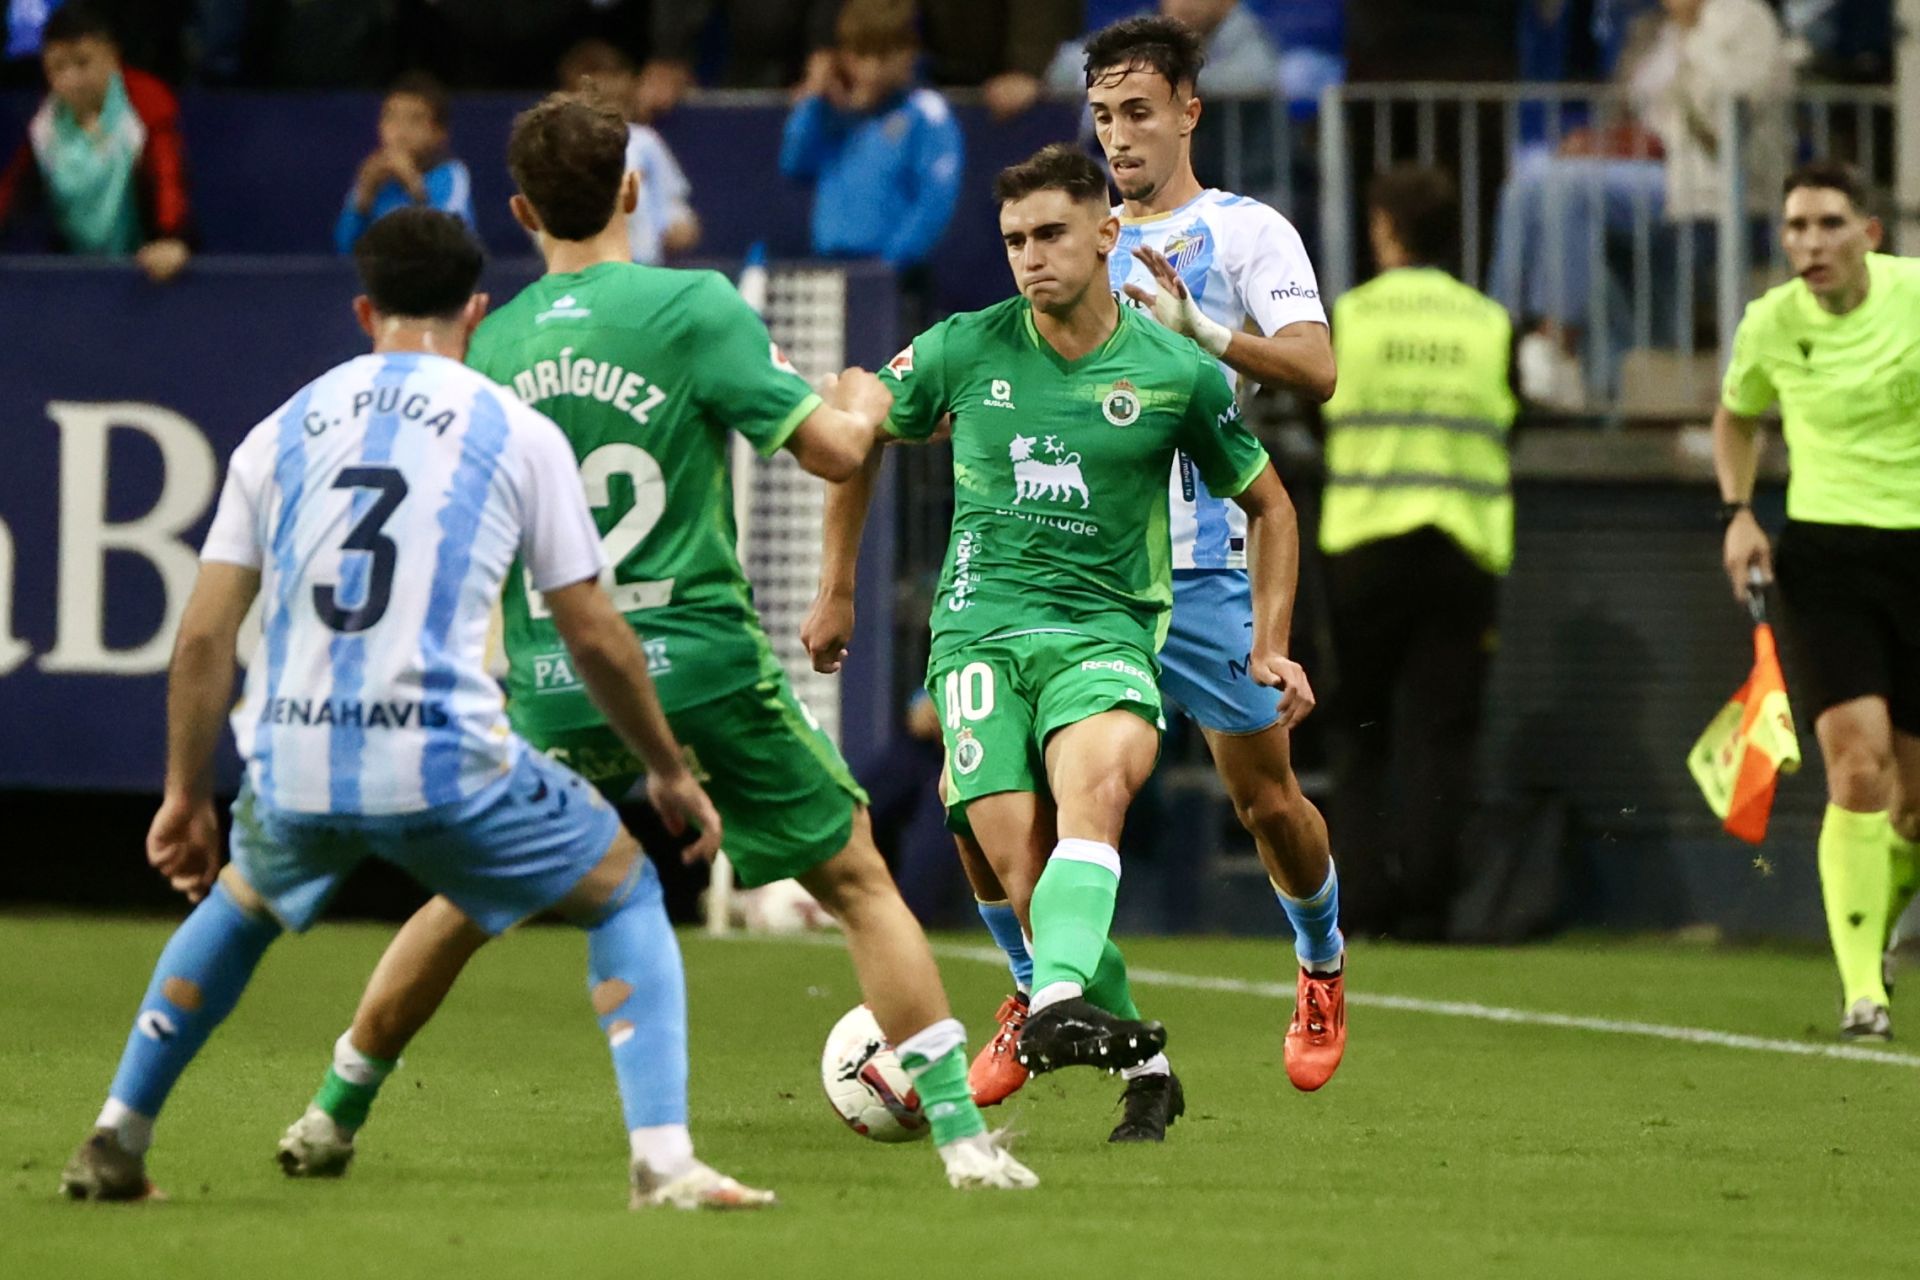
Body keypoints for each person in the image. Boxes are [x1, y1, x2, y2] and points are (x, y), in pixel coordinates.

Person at [279, 94, 1037, 1193]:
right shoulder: (695, 307)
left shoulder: (490, 342)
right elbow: (830, 451)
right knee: (859, 876)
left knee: (475, 892)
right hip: (704, 663)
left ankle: (333, 1105)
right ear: (633, 188)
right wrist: (865, 400)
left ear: (522, 209)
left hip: (558, 675)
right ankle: (965, 1141)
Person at [57, 208, 773, 1210]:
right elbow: (595, 634)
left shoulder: (278, 431)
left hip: (296, 755)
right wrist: (663, 763)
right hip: (440, 753)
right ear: (475, 312)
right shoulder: (511, 428)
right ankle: (662, 1159)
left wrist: (185, 791)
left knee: (243, 901)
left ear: (366, 311)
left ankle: (118, 1134)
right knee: (619, 885)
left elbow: (205, 640)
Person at [803, 142, 1315, 1142]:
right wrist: (837, 590)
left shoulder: (1177, 372)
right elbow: (852, 434)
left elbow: (1272, 504)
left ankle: (1051, 1004)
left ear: (1106, 234)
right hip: (980, 638)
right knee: (1027, 881)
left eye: (1050, 234)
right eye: (1013, 240)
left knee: (1101, 790)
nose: (1031, 257)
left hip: (1107, 633)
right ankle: (1139, 1058)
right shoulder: (963, 346)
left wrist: (1271, 641)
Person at [916, 13, 1349, 1124]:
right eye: (1104, 114)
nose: (1120, 134)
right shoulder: (1071, 231)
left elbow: (1315, 367)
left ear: (1189, 111)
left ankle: (1318, 956)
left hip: (1201, 571)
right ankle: (1043, 995)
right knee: (991, 808)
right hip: (1063, 584)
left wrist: (1206, 330)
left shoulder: (1246, 232)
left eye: (1139, 113)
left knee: (1267, 803)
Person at [1714, 161, 1920, 1042]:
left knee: (1912, 805)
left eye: (1828, 224)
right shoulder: (1770, 322)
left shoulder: (1915, 297)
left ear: (1869, 234)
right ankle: (1860, 988)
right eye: (1795, 227)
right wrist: (1738, 512)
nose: (1808, 243)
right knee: (1856, 765)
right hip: (1828, 558)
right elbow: (1737, 414)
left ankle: (1882, 915)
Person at [1319, 166, 1517, 940]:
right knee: (1442, 732)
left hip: (1364, 542)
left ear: (1386, 230)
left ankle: (1361, 901)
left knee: (1360, 731)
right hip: (1462, 546)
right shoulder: (1487, 322)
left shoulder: (1351, 316)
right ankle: (1431, 902)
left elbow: (1313, 407)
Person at [1489, 0, 1791, 409]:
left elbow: (1723, 121)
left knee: (1566, 188)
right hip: (1642, 178)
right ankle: (1499, 334)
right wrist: (1600, 142)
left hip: (1713, 189)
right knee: (1529, 180)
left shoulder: (1744, 18)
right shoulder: (1649, 28)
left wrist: (1692, 33)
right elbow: (1622, 114)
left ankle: (1554, 340)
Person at [778, 0, 964, 306]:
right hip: (831, 271)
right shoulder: (837, 113)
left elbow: (934, 201)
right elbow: (794, 165)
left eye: (884, 54)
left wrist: (889, 265)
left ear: (909, 52)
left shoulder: (926, 113)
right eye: (861, 55)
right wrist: (813, 101)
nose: (872, 68)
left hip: (895, 279)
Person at [0, 3, 191, 282]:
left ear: (112, 57)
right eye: (58, 67)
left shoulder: (144, 108)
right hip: (76, 276)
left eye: (82, 62)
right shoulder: (46, 125)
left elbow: (168, 177)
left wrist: (171, 237)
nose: (71, 79)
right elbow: (14, 190)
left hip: (148, 271)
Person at [558, 39, 700, 265]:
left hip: (643, 270)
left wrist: (677, 225)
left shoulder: (644, 143)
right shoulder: (560, 147)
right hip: (584, 273)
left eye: (617, 103)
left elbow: (673, 210)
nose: (609, 114)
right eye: (598, 103)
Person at [334, 72, 476, 254]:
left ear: (440, 133)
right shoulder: (373, 177)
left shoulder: (452, 174)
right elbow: (345, 248)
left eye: (414, 120)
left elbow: (454, 243)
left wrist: (414, 187)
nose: (400, 132)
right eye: (390, 118)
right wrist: (364, 198)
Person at [1046, 1, 1283, 98]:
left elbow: (1256, 77)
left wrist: (1149, 78)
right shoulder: (1146, 29)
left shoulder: (1245, 33)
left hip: (1240, 186)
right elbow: (1065, 67)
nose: (1182, 3)